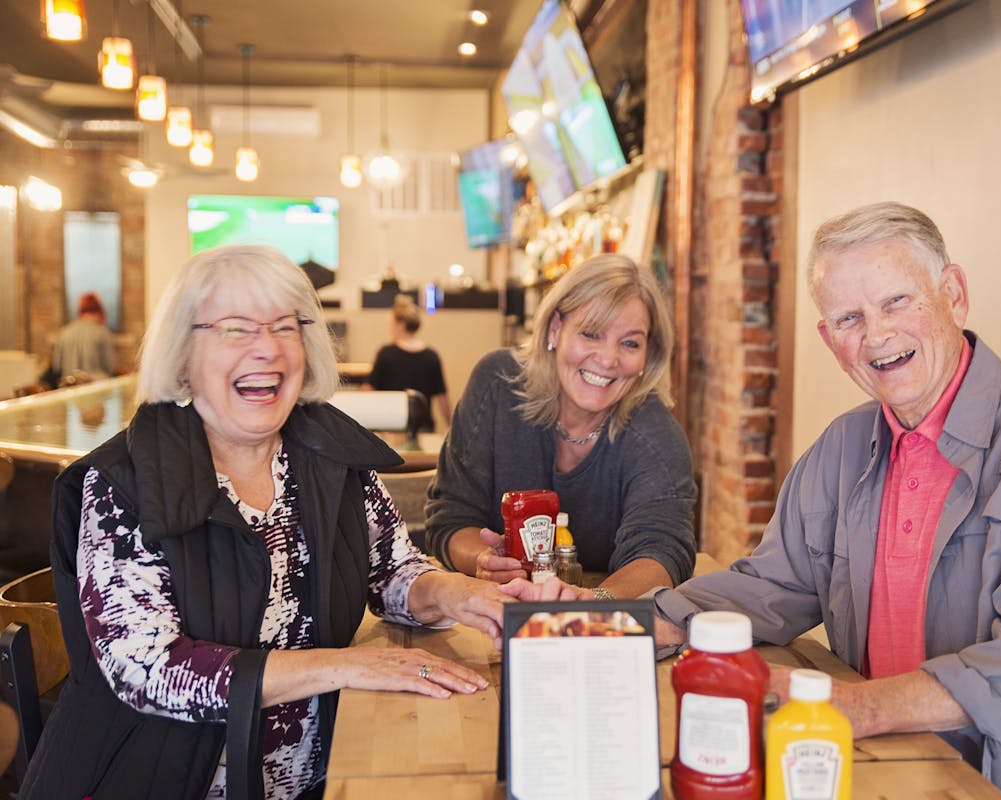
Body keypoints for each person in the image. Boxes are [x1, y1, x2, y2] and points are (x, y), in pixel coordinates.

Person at [544, 203, 1001, 799]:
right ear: (830, 340)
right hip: (900, 767)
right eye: (850, 318)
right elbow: (769, 586)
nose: (877, 335)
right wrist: (604, 620)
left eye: (897, 301)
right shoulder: (842, 446)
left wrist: (854, 706)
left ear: (953, 295)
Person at [23, 245, 521, 799]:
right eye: (235, 328)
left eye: (285, 327)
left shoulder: (328, 454)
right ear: (184, 355)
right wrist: (345, 666)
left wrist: (459, 595)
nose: (266, 348)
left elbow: (393, 571)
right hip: (153, 778)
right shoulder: (125, 483)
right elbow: (147, 668)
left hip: (316, 780)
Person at [425, 253, 697, 599]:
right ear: (555, 329)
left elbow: (662, 551)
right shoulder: (497, 385)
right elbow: (449, 518)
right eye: (591, 333)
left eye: (630, 342)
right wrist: (482, 559)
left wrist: (592, 603)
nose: (608, 359)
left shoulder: (657, 434)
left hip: (605, 624)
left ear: (649, 355)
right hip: (491, 612)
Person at [364, 294, 450, 432]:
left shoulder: (386, 353)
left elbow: (370, 390)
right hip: (423, 428)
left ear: (400, 325)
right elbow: (442, 397)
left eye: (390, 323)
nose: (389, 328)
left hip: (390, 426)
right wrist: (450, 426)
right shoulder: (431, 356)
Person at [43, 291, 115, 386]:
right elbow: (108, 367)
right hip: (95, 390)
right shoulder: (101, 332)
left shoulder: (64, 332)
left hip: (68, 388)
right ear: (99, 310)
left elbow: (57, 366)